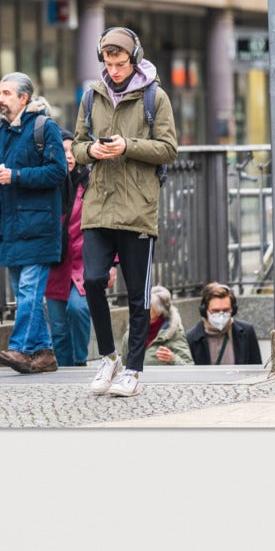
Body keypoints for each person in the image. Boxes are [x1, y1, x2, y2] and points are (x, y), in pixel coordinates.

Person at [67, 26, 178, 398]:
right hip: (98, 205)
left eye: (121, 63)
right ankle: (109, 357)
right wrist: (91, 152)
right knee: (93, 280)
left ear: (134, 58)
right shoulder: (90, 96)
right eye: (109, 63)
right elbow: (78, 145)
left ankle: (132, 369)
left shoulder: (155, 97)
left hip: (137, 209)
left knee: (137, 295)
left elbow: (167, 148)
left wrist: (127, 146)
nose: (114, 70)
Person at [0, 73, 66, 374]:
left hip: (39, 227)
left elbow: (58, 172)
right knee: (24, 293)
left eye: (6, 93)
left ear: (24, 98)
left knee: (29, 291)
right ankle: (44, 354)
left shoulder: (46, 128)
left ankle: (18, 349)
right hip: (12, 227)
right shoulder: (1, 134)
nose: (0, 99)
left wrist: (15, 176)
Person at [44, 173, 91, 367]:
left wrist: (112, 264)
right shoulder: (48, 182)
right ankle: (65, 368)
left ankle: (80, 360)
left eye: (72, 150)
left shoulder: (89, 183)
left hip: (84, 261)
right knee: (58, 327)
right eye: (63, 150)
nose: (69, 155)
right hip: (55, 262)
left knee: (78, 307)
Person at [187, 282, 263, 366]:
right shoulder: (192, 338)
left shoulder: (246, 332)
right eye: (215, 311)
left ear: (233, 310)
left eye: (226, 310)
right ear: (205, 310)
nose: (221, 315)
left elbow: (256, 368)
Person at [142, 283, 191, 366]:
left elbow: (189, 367)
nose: (144, 309)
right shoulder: (132, 333)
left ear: (159, 311)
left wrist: (173, 359)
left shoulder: (174, 332)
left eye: (149, 306)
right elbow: (123, 367)